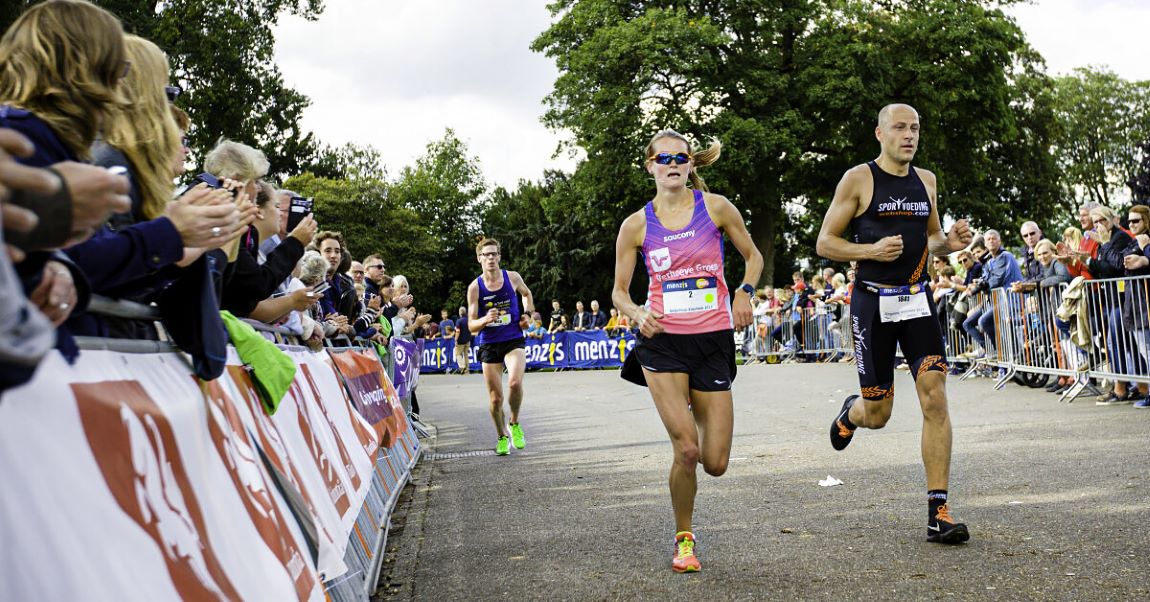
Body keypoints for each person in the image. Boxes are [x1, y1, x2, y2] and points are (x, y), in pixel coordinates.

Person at [815, 103, 973, 545]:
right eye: (900, 127)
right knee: (879, 414)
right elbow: (825, 242)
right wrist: (869, 252)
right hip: (872, 305)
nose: (909, 135)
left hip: (917, 301)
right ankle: (852, 412)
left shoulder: (927, 181)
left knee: (935, 397)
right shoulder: (859, 179)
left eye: (915, 128)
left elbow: (933, 241)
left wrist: (951, 245)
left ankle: (938, 512)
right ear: (879, 133)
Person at [612, 130, 761, 573]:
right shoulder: (636, 225)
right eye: (664, 158)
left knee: (715, 463)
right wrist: (637, 314)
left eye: (681, 157)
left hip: (712, 341)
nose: (673, 163)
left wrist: (744, 292)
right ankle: (684, 540)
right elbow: (619, 292)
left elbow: (752, 256)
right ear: (650, 166)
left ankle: (695, 405)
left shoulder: (715, 208)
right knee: (688, 451)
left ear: (690, 164)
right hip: (662, 346)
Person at [467, 238, 535, 455]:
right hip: (489, 344)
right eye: (486, 255)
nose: (491, 258)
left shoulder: (512, 277)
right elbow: (471, 325)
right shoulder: (475, 288)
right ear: (479, 259)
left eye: (494, 254)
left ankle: (514, 423)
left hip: (513, 338)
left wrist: (527, 315)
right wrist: (485, 319)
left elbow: (527, 294)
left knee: (515, 383)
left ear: (499, 257)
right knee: (495, 399)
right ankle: (501, 436)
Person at [454, 306, 472, 375]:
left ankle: (462, 366)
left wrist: (455, 340)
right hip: (468, 340)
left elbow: (457, 331)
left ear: (460, 313)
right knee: (466, 355)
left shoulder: (459, 321)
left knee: (457, 354)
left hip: (460, 341)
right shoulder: (468, 320)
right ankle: (467, 370)